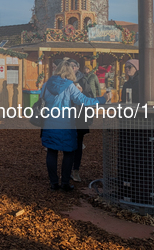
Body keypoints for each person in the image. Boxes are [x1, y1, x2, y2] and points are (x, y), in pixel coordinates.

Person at [40, 61, 110, 192]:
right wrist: (102, 99)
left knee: (51, 151)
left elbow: (41, 98)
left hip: (49, 123)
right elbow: (84, 101)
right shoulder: (69, 86)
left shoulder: (46, 84)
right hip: (66, 124)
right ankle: (65, 182)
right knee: (69, 153)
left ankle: (53, 182)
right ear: (69, 72)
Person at [68, 60, 94, 183]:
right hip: (66, 117)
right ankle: (66, 170)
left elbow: (90, 97)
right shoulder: (64, 81)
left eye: (75, 66)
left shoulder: (83, 80)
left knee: (78, 145)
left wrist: (82, 93)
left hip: (80, 117)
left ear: (78, 68)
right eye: (70, 66)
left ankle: (75, 170)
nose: (73, 68)